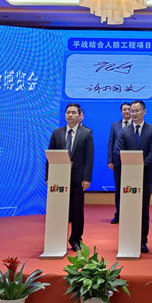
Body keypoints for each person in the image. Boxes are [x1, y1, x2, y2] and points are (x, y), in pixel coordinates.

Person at [47, 103, 94, 252]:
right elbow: (50, 156)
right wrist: (48, 176)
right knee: (59, 209)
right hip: (59, 178)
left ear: (80, 116)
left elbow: (89, 158)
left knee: (77, 210)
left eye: (74, 113)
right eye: (68, 112)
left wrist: (87, 178)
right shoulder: (57, 133)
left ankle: (76, 239)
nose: (70, 115)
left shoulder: (86, 133)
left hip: (78, 178)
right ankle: (57, 237)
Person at [115, 100, 152, 254]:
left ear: (144, 111)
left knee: (143, 210)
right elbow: (118, 150)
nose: (133, 113)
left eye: (136, 110)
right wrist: (131, 165)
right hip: (128, 176)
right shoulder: (124, 131)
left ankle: (142, 240)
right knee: (128, 209)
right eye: (132, 111)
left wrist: (140, 166)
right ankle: (127, 239)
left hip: (145, 176)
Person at [107, 102, 132, 224]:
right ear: (121, 112)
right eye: (124, 109)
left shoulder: (136, 125)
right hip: (117, 161)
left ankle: (130, 213)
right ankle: (118, 214)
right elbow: (111, 142)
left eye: (128, 109)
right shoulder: (115, 125)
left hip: (132, 162)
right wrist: (110, 160)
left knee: (131, 188)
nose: (127, 111)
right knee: (118, 189)